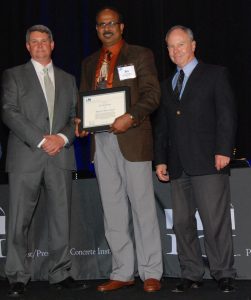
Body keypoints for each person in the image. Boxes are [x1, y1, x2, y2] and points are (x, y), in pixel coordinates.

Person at [76, 6, 163, 292]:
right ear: (97, 30)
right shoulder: (89, 62)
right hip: (100, 142)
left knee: (142, 208)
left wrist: (131, 117)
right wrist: (80, 120)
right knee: (112, 210)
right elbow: (84, 99)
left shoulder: (140, 54)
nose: (107, 28)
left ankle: (151, 271)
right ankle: (122, 271)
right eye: (101, 24)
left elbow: (152, 94)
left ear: (122, 27)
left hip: (133, 139)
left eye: (112, 23)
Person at [1, 25, 86, 297]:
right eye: (34, 42)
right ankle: (16, 275)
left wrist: (61, 138)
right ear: (27, 47)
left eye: (44, 41)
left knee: (61, 219)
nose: (39, 45)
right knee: (18, 221)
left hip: (60, 156)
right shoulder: (13, 75)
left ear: (53, 44)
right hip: (26, 157)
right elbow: (9, 112)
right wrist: (41, 139)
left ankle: (60, 272)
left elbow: (76, 117)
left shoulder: (67, 78)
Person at [154, 25, 237, 293]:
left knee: (215, 222)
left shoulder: (214, 74)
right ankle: (191, 273)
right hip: (178, 166)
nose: (176, 50)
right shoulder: (166, 85)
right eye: (170, 46)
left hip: (209, 162)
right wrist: (160, 159)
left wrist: (224, 149)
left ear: (193, 45)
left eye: (180, 44)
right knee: (182, 224)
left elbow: (227, 115)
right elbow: (163, 127)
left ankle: (224, 273)